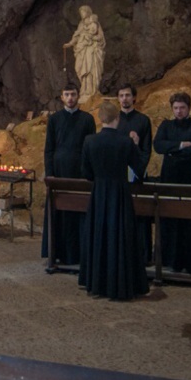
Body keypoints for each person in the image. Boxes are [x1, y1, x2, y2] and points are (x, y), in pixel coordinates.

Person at [78, 101, 148, 300]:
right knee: (120, 237)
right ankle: (120, 283)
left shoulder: (90, 141)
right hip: (119, 194)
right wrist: (135, 144)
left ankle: (97, 283)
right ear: (117, 118)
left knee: (99, 235)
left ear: (100, 119)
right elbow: (139, 167)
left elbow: (86, 172)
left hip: (99, 193)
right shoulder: (125, 142)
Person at [153, 92, 191, 274]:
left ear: (189, 108)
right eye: (176, 108)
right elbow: (158, 146)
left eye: (182, 108)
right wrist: (181, 145)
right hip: (170, 177)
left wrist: (172, 150)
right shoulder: (165, 125)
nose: (178, 111)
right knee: (171, 217)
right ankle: (171, 259)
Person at [41, 83, 97, 268]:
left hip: (80, 172)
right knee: (59, 213)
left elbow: (90, 149)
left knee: (79, 212)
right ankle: (57, 253)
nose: (70, 98)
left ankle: (80, 254)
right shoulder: (55, 119)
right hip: (59, 172)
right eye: (67, 94)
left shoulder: (87, 119)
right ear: (62, 97)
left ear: (78, 96)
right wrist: (50, 174)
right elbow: (49, 149)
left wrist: (90, 173)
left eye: (73, 94)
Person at [115, 84, 154, 261]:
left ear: (134, 98)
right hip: (118, 174)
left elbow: (147, 150)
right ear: (118, 99)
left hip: (136, 174)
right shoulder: (114, 120)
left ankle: (143, 255)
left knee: (140, 216)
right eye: (121, 95)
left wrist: (136, 148)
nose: (125, 99)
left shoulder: (143, 120)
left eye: (128, 95)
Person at [63, 5, 105, 101]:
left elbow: (100, 37)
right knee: (80, 68)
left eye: (83, 12)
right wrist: (69, 44)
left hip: (92, 50)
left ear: (87, 12)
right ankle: (84, 90)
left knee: (90, 69)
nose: (82, 14)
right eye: (80, 12)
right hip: (82, 51)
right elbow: (77, 36)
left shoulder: (94, 22)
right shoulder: (81, 25)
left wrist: (90, 38)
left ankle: (92, 91)